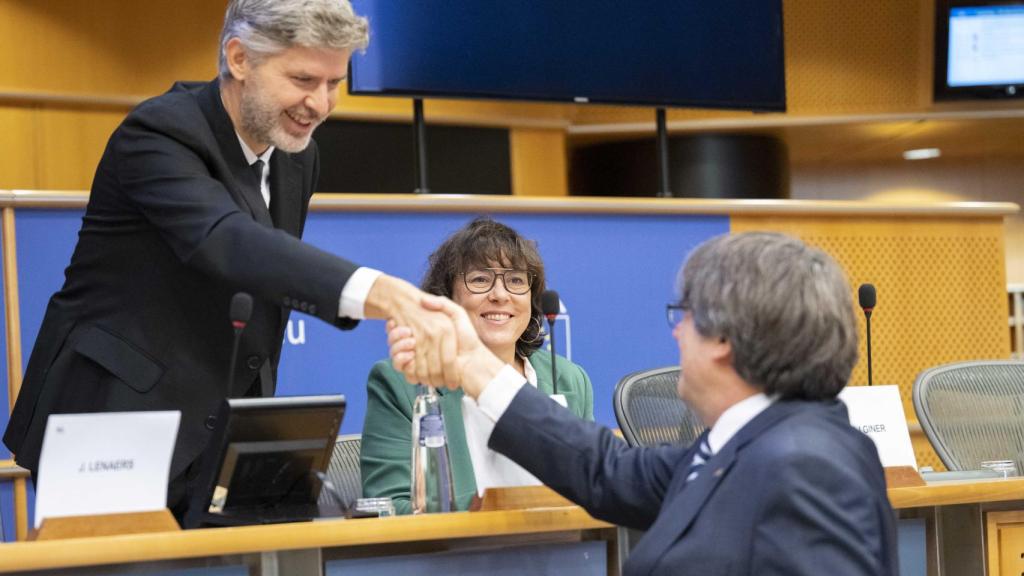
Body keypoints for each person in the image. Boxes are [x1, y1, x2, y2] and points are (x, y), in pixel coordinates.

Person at [3, 0, 457, 518]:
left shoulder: (297, 154)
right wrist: (380, 292)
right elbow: (228, 242)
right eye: (304, 78)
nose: (321, 103)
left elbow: (267, 284)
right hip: (114, 421)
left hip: (226, 431)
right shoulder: (158, 134)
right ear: (239, 58)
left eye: (335, 83)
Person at [389, 232, 898, 575]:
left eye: (686, 314)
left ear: (723, 337)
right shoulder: (755, 444)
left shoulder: (805, 465)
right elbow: (602, 467)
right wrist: (469, 365)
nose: (677, 331)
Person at [361, 217, 594, 513]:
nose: (500, 295)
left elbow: (593, 488)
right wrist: (492, 510)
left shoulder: (570, 380)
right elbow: (388, 508)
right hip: (454, 556)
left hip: (565, 551)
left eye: (516, 281)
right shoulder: (402, 383)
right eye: (480, 279)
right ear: (447, 297)